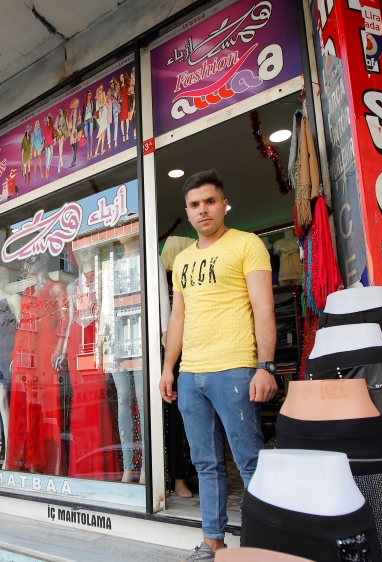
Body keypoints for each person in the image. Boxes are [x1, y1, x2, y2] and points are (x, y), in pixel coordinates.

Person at [159, 170, 277, 561]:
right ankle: (213, 541)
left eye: (210, 201)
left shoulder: (247, 244)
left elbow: (263, 307)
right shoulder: (182, 260)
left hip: (235, 368)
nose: (203, 210)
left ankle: (263, 544)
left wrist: (266, 366)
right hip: (191, 375)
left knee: (249, 461)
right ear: (188, 211)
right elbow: (178, 318)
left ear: (224, 204)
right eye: (194, 204)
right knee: (205, 463)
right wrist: (169, 368)